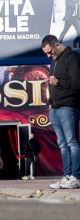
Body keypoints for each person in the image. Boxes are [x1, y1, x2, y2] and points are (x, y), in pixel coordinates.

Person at [43, 34, 80, 189]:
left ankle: (76, 176)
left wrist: (57, 82)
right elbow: (52, 85)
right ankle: (67, 176)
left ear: (57, 45)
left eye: (50, 52)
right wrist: (50, 103)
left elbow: (76, 83)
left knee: (72, 142)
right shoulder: (55, 60)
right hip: (56, 108)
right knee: (62, 144)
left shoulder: (72, 57)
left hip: (68, 106)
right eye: (46, 53)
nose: (49, 55)